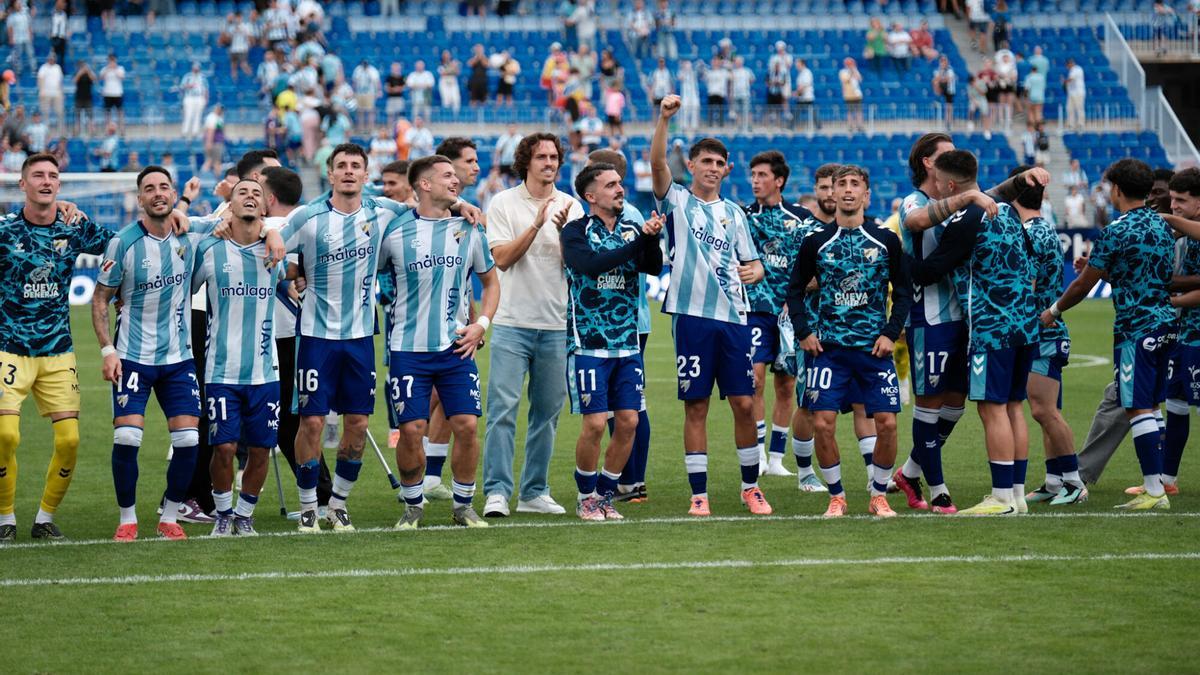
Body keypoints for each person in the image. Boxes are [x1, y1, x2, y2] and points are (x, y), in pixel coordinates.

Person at [895, 134, 1047, 514]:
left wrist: (891, 258)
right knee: (1001, 406)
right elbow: (915, 221)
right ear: (928, 163)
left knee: (981, 407)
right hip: (937, 318)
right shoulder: (924, 201)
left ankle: (996, 495)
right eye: (945, 152)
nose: (954, 154)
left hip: (983, 322)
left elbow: (931, 268)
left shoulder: (973, 211)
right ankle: (942, 486)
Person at [91, 167, 227, 541]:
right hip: (132, 355)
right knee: (127, 439)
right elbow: (101, 298)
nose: (157, 193)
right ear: (140, 199)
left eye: (164, 187)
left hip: (178, 357)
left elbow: (235, 220)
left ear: (172, 193)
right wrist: (107, 350)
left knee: (187, 441)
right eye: (149, 188)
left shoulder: (191, 235)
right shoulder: (123, 243)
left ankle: (169, 515)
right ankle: (127, 518)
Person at [651, 95, 768, 517]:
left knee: (744, 402)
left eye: (719, 163)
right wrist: (664, 120)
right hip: (692, 318)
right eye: (706, 161)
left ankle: (750, 488)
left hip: (734, 320)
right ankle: (698, 494)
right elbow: (658, 165)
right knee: (696, 405)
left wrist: (755, 271)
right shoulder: (677, 201)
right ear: (694, 165)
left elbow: (752, 263)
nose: (712, 168)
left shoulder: (736, 214)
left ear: (726, 169)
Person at [1041, 159, 1177, 510]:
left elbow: (1083, 286)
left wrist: (1053, 311)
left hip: (1136, 328)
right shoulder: (1161, 226)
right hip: (1165, 322)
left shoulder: (1117, 230)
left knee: (1136, 407)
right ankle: (1159, 483)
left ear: (1116, 190)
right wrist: (1104, 272)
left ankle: (1153, 491)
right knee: (1152, 407)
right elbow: (1144, 276)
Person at [379, 155, 499, 529]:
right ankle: (413, 506)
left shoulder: (470, 229)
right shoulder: (394, 231)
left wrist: (481, 323)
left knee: (466, 425)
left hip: (456, 346)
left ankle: (463, 506)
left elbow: (492, 282)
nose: (457, 180)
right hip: (407, 349)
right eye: (447, 175)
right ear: (424, 185)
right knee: (412, 431)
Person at [788, 164, 909, 518]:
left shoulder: (886, 241)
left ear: (866, 195)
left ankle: (878, 494)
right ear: (833, 193)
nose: (848, 190)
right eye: (842, 184)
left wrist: (890, 332)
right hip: (830, 352)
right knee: (823, 422)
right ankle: (837, 496)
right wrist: (804, 332)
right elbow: (795, 292)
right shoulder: (816, 242)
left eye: (856, 184)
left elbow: (903, 293)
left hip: (874, 351)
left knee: (887, 424)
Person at [0, 155, 107, 542]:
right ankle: (4, 518)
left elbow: (120, 246)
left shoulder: (73, 228)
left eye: (53, 176)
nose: (46, 181)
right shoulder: (5, 230)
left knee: (70, 441)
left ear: (60, 186)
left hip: (58, 350)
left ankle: (44, 518)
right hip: (8, 349)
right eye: (38, 176)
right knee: (5, 436)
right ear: (22, 184)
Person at [481, 133, 583, 518]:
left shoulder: (571, 205)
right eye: (541, 156)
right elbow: (502, 259)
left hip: (556, 323)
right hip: (511, 321)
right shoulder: (504, 202)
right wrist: (537, 226)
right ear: (526, 161)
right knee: (502, 410)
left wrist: (562, 236)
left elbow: (576, 265)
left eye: (554, 156)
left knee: (547, 413)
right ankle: (496, 491)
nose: (549, 162)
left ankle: (534, 490)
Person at [561, 162, 663, 520]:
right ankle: (585, 495)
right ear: (591, 196)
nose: (620, 189)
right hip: (588, 344)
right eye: (611, 185)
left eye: (620, 184)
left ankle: (603, 496)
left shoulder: (632, 229)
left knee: (629, 422)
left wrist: (650, 238)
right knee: (592, 424)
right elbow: (591, 266)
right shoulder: (574, 232)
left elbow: (652, 265)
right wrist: (638, 242)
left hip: (628, 345)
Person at [191, 179, 285, 536]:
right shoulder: (210, 250)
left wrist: (270, 234)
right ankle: (223, 514)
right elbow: (185, 289)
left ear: (265, 207)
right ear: (228, 206)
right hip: (221, 369)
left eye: (256, 193)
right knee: (225, 446)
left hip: (266, 371)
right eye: (241, 192)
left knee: (261, 449)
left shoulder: (277, 247)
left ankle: (245, 515)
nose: (249, 196)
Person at [1005, 170, 1087, 507]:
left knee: (1043, 411)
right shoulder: (1045, 229)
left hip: (1040, 331)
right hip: (1047, 329)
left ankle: (1074, 481)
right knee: (1046, 410)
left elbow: (1029, 285)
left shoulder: (1028, 234)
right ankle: (1055, 481)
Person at [743, 151, 812, 477]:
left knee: (786, 385)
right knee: (754, 379)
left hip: (789, 314)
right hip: (755, 310)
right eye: (753, 175)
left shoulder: (800, 218)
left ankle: (776, 459)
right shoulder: (742, 216)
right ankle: (755, 453)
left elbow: (811, 264)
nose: (755, 181)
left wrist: (796, 300)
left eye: (762, 175)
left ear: (779, 180)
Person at [1158, 169, 1200, 494]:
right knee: (1175, 406)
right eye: (1172, 199)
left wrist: (1174, 299)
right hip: (1184, 334)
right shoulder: (1183, 234)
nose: (1174, 206)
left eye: (1181, 200)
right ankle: (1166, 479)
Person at [37, 54, 65, 136]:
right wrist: (41, 91)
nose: (51, 60)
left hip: (57, 93)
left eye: (53, 58)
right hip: (46, 93)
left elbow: (60, 81)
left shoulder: (58, 68)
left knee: (60, 112)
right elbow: (40, 79)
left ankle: (60, 131)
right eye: (50, 58)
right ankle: (46, 130)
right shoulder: (43, 67)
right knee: (45, 112)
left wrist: (61, 92)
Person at [179, 62, 208, 140]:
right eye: (194, 68)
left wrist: (205, 99)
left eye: (197, 68)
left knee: (198, 116)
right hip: (189, 97)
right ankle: (185, 132)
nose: (196, 69)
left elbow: (206, 89)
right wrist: (189, 86)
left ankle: (195, 133)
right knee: (188, 115)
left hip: (199, 97)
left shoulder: (203, 77)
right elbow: (182, 86)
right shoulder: (187, 76)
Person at [223, 11, 254, 80]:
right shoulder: (231, 27)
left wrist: (242, 32)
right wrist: (233, 32)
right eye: (236, 18)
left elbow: (251, 38)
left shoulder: (246, 26)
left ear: (241, 18)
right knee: (233, 66)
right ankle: (234, 81)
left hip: (243, 48)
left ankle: (251, 76)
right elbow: (227, 40)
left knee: (244, 65)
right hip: (233, 49)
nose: (237, 19)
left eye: (239, 17)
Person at [6, 0, 34, 75]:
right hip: (17, 39)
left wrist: (31, 35)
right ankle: (18, 71)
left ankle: (33, 70)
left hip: (26, 38)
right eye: (17, 4)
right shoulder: (12, 16)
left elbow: (29, 26)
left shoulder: (26, 15)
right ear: (14, 6)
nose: (18, 5)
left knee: (31, 54)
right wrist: (11, 38)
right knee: (18, 56)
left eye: (19, 4)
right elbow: (10, 28)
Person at [352, 59, 382, 129]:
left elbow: (377, 82)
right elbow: (354, 82)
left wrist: (378, 91)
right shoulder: (358, 70)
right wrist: (354, 92)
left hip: (370, 93)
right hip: (359, 93)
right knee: (360, 111)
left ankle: (370, 128)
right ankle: (360, 128)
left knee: (370, 111)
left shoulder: (373, 70)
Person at [99, 54, 125, 133]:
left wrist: (115, 69)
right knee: (107, 113)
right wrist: (108, 69)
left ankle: (122, 129)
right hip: (107, 94)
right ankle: (107, 130)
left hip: (118, 94)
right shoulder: (105, 69)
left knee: (120, 113)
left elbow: (121, 77)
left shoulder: (120, 68)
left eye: (113, 60)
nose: (111, 62)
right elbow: (101, 77)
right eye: (110, 60)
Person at [839, 58, 863, 133]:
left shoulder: (856, 71)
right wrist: (851, 73)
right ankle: (850, 126)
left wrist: (854, 71)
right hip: (848, 95)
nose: (851, 66)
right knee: (849, 112)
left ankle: (859, 126)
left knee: (859, 111)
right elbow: (845, 80)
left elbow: (860, 79)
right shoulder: (843, 72)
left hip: (857, 94)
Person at [932, 56, 956, 130]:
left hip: (949, 90)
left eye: (944, 61)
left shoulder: (950, 70)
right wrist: (941, 79)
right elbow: (935, 79)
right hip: (942, 88)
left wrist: (941, 79)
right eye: (941, 62)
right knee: (935, 83)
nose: (943, 63)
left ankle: (949, 123)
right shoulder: (938, 70)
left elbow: (949, 79)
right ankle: (937, 98)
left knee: (949, 107)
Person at [73, 60, 96, 137]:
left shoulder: (89, 73)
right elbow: (74, 81)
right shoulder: (77, 73)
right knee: (77, 117)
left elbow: (94, 79)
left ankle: (92, 133)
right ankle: (77, 133)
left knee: (90, 117)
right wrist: (80, 73)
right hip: (79, 98)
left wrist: (88, 72)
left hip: (88, 98)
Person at [1064, 58, 1086, 131]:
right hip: (1071, 93)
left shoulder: (1077, 69)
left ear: (1070, 64)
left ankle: (1080, 125)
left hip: (1078, 93)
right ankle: (1071, 125)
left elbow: (1071, 79)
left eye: (1068, 65)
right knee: (1070, 109)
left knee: (1079, 109)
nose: (1067, 67)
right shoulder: (1072, 70)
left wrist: (1064, 81)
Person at [437, 50, 462, 115]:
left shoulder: (454, 63)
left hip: (453, 81)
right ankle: (446, 116)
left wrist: (453, 68)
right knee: (446, 100)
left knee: (456, 99)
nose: (447, 56)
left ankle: (456, 116)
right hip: (444, 82)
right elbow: (442, 73)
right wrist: (452, 68)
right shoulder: (440, 64)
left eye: (448, 55)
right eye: (445, 55)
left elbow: (457, 72)